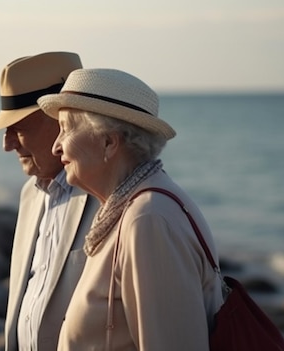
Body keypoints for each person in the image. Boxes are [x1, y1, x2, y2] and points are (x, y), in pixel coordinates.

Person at [37, 68, 225, 350]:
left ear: (109, 142)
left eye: (66, 128)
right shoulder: (128, 209)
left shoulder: (148, 219)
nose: (56, 146)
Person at [0, 52, 100, 351]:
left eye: (18, 129)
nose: (7, 145)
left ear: (62, 121)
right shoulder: (30, 194)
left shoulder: (109, 197)